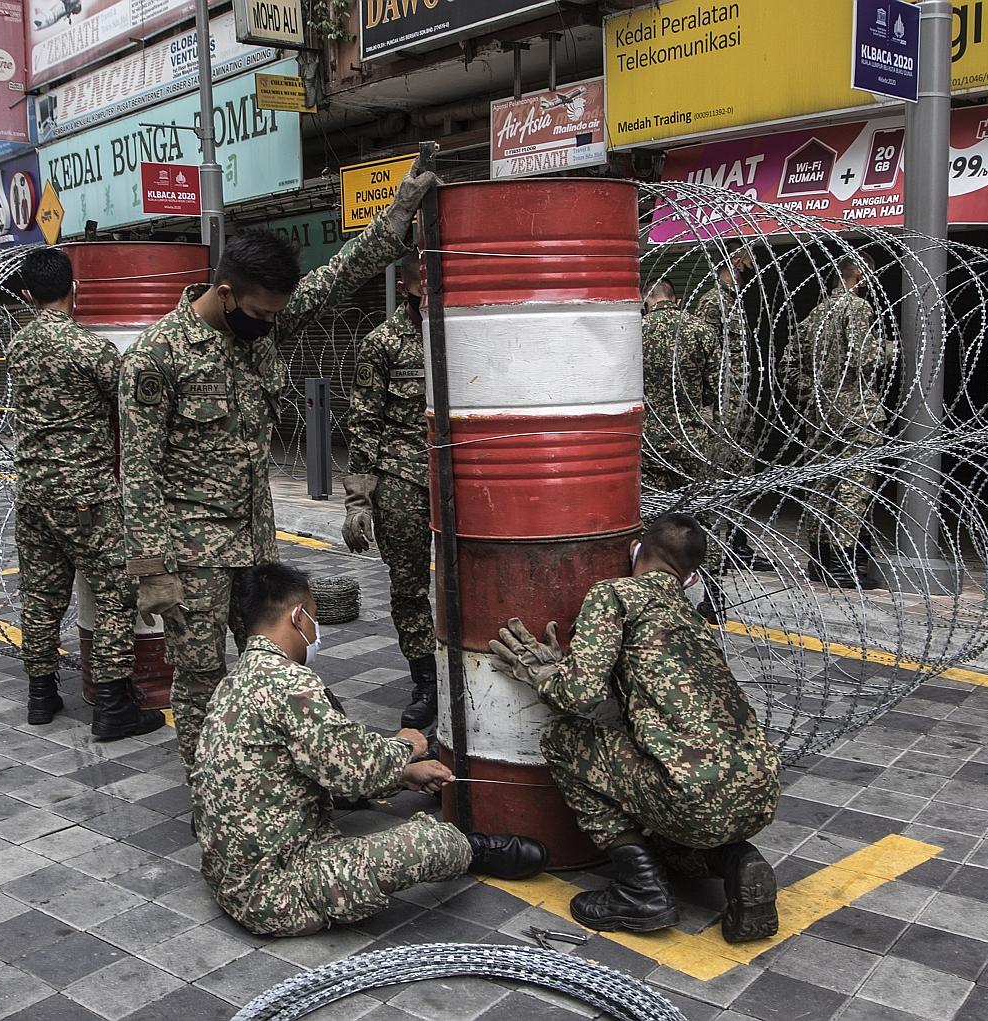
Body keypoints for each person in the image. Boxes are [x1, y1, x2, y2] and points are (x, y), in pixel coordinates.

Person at [118, 158, 439, 777]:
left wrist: (398, 213)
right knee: (203, 680)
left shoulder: (261, 326)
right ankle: (216, 793)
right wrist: (152, 570)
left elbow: (337, 278)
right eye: (262, 314)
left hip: (256, 545)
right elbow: (139, 472)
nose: (270, 325)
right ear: (226, 293)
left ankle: (290, 777)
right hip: (194, 555)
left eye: (275, 316)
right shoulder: (156, 359)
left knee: (281, 669)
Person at [192, 562, 547, 936]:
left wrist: (402, 776)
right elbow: (355, 770)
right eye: (314, 618)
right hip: (275, 894)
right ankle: (472, 849)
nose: (316, 630)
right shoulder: (289, 684)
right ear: (298, 617)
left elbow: (314, 760)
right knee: (426, 842)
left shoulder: (236, 680)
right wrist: (404, 747)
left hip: (230, 872)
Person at [489, 513, 781, 942]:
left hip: (691, 797)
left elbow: (579, 697)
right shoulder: (695, 620)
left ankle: (639, 891)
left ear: (635, 551)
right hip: (759, 795)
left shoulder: (616, 594)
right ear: (691, 577)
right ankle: (736, 860)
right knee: (670, 829)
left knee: (565, 739)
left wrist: (547, 676)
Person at [7, 248, 165, 740]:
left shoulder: (17, 347)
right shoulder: (90, 348)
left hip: (33, 493)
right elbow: (130, 402)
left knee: (41, 595)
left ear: (29, 295)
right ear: (74, 289)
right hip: (87, 497)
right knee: (117, 592)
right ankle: (114, 705)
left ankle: (40, 694)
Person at [342, 252, 435, 728]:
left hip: (458, 476)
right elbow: (364, 423)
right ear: (406, 289)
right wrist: (359, 499)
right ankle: (426, 680)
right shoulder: (383, 345)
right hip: (402, 481)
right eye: (424, 290)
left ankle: (463, 662)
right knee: (409, 586)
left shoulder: (456, 332)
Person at [781, 256, 895, 590]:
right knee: (853, 487)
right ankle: (844, 564)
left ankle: (818, 561)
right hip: (855, 409)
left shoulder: (814, 315)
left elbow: (787, 365)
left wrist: (814, 389)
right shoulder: (856, 308)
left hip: (820, 414)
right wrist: (889, 349)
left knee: (823, 485)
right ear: (857, 276)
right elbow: (863, 357)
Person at [639, 278, 729, 623]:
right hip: (693, 439)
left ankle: (653, 595)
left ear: (648, 299)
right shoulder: (701, 331)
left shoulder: (636, 331)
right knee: (703, 516)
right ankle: (714, 596)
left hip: (649, 442)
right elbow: (716, 389)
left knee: (651, 520)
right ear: (676, 298)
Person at [694, 245, 771, 573]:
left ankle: (739, 545)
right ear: (737, 261)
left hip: (738, 406)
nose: (754, 267)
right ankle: (710, 547)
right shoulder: (713, 301)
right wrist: (709, 406)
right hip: (723, 407)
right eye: (751, 259)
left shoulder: (733, 300)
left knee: (742, 475)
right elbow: (702, 355)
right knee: (717, 476)